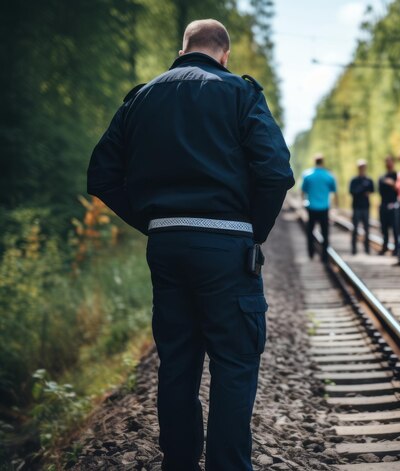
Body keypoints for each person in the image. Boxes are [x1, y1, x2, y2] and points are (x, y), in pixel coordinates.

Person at [87, 19, 294, 471]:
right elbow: (276, 172)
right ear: (225, 54)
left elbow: (100, 174)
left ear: (182, 51)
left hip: (167, 246)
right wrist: (253, 230)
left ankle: (178, 463)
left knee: (177, 361)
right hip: (226, 248)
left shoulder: (142, 97)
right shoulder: (240, 93)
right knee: (234, 362)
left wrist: (154, 223)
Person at [301, 154, 337, 262]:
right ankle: (324, 257)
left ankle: (311, 254)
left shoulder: (307, 175)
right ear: (322, 162)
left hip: (311, 208)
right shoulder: (329, 176)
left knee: (310, 232)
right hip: (324, 208)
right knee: (325, 233)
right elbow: (334, 192)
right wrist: (336, 207)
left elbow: (303, 191)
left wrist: (303, 203)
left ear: (314, 162)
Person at [349, 159, 374, 254]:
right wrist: (362, 190)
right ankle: (354, 249)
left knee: (367, 229)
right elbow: (352, 191)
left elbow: (372, 190)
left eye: (363, 167)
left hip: (366, 207)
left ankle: (367, 249)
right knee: (355, 228)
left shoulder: (368, 180)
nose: (362, 169)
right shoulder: (354, 180)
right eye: (360, 167)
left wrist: (361, 191)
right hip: (356, 207)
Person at [378, 155, 399, 255]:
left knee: (395, 228)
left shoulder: (397, 176)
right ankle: (385, 246)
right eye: (387, 162)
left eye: (390, 161)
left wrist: (393, 184)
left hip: (394, 205)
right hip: (384, 205)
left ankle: (396, 249)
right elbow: (380, 191)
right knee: (384, 228)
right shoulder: (382, 177)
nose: (389, 164)